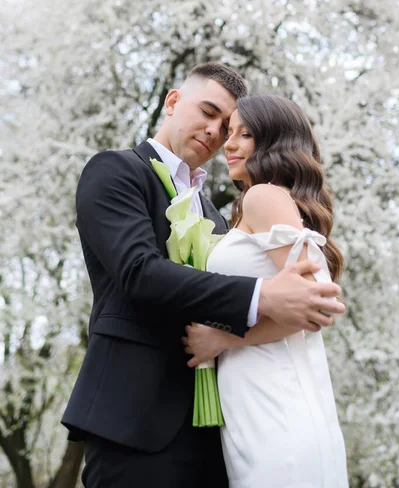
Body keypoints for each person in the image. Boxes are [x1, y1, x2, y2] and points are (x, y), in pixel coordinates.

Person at [61, 62, 345, 488]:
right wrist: (261, 297)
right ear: (173, 101)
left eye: (230, 126)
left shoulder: (216, 214)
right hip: (135, 420)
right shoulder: (115, 171)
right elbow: (138, 272)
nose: (217, 132)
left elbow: (300, 299)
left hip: (220, 429)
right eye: (208, 112)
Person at [182, 93, 349, 487]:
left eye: (246, 134)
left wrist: (222, 339)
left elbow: (318, 308)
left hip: (277, 402)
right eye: (230, 132)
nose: (230, 143)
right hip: (252, 400)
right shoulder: (253, 205)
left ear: (275, 143)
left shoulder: (263, 197)